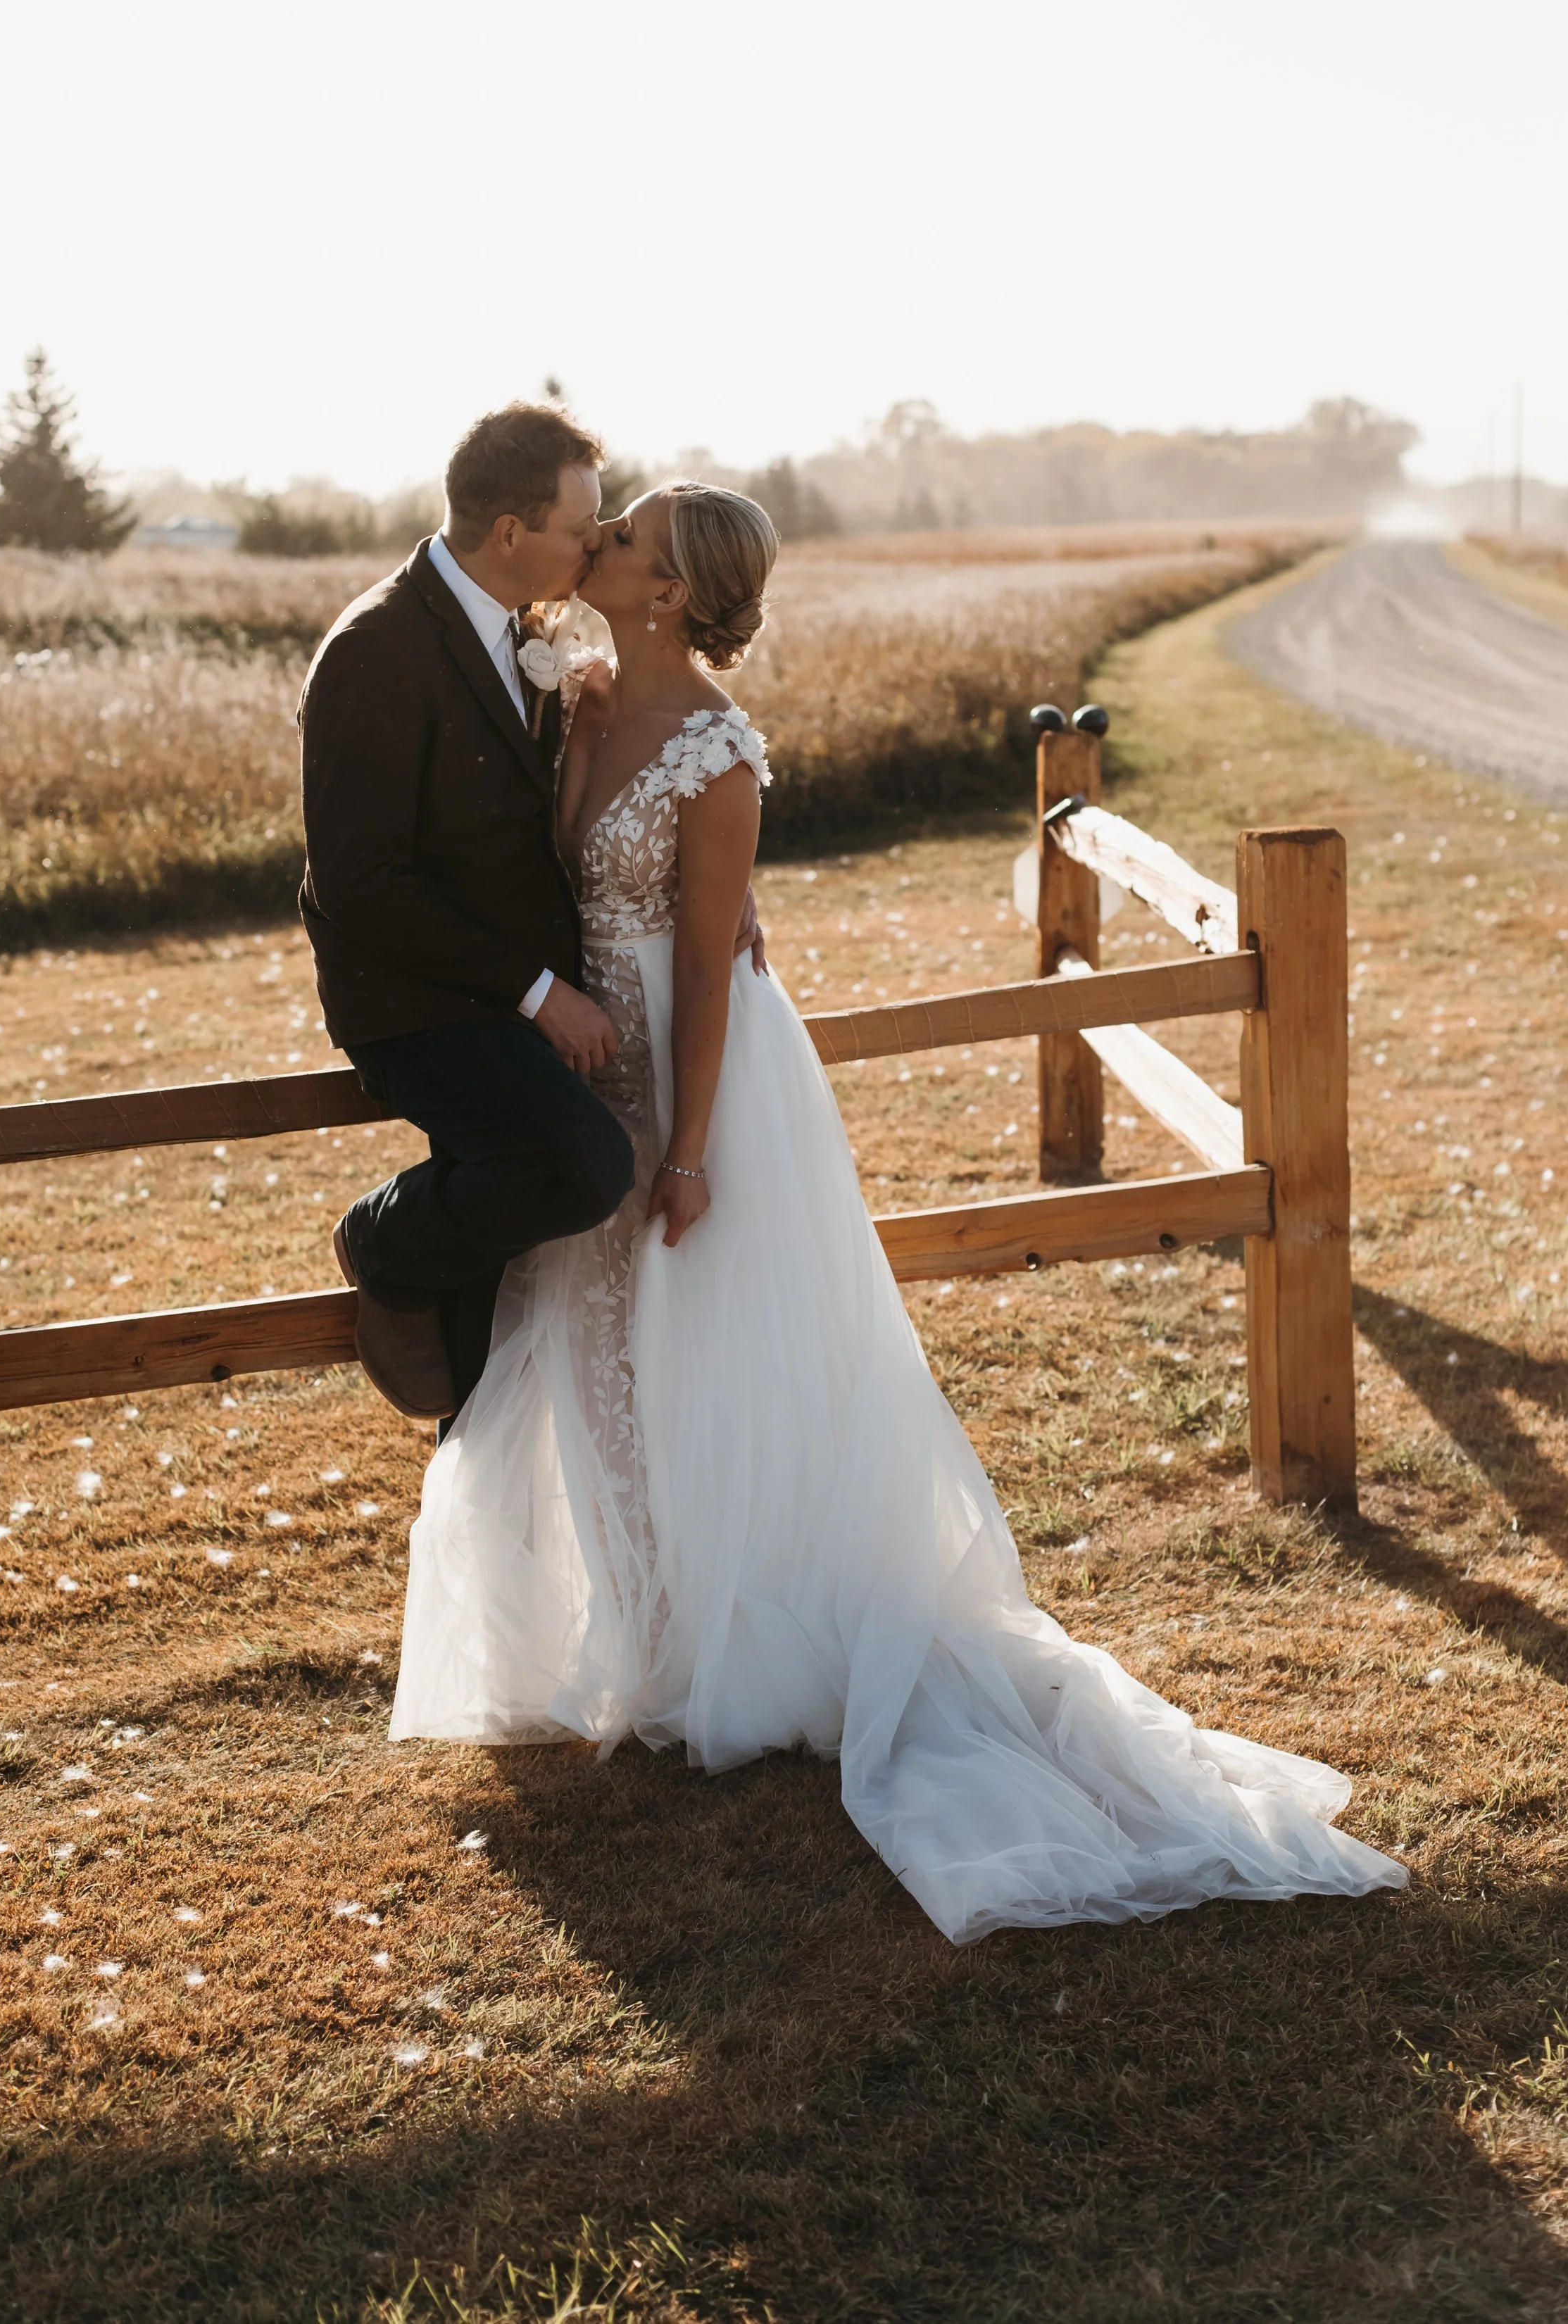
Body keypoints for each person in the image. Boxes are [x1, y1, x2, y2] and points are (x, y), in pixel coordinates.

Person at [387, 477, 1409, 1944]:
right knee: (598, 1354)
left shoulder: (715, 753)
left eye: (624, 538)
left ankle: (716, 1654)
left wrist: (687, 1151)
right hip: (582, 1076)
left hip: (691, 1079)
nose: (594, 541)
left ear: (672, 590)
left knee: (700, 1353)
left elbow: (697, 965)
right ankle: (644, 1635)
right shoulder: (583, 693)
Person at [299, 402, 761, 1426]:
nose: (595, 542)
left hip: (525, 990)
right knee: (580, 1160)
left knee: (522, 1253)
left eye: (609, 528)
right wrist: (540, 990)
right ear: (511, 533)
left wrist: (725, 879)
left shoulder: (536, 635)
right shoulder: (376, 650)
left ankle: (473, 1414)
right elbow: (358, 883)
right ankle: (383, 1241)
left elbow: (634, 785)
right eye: (581, 525)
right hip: (419, 1002)